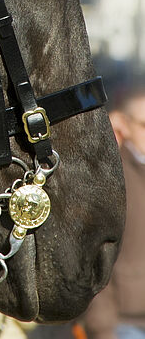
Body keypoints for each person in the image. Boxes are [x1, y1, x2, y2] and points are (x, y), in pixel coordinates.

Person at [83, 85, 145, 339]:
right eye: (144, 124)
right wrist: (103, 328)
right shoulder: (112, 177)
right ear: (125, 125)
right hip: (122, 323)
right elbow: (94, 253)